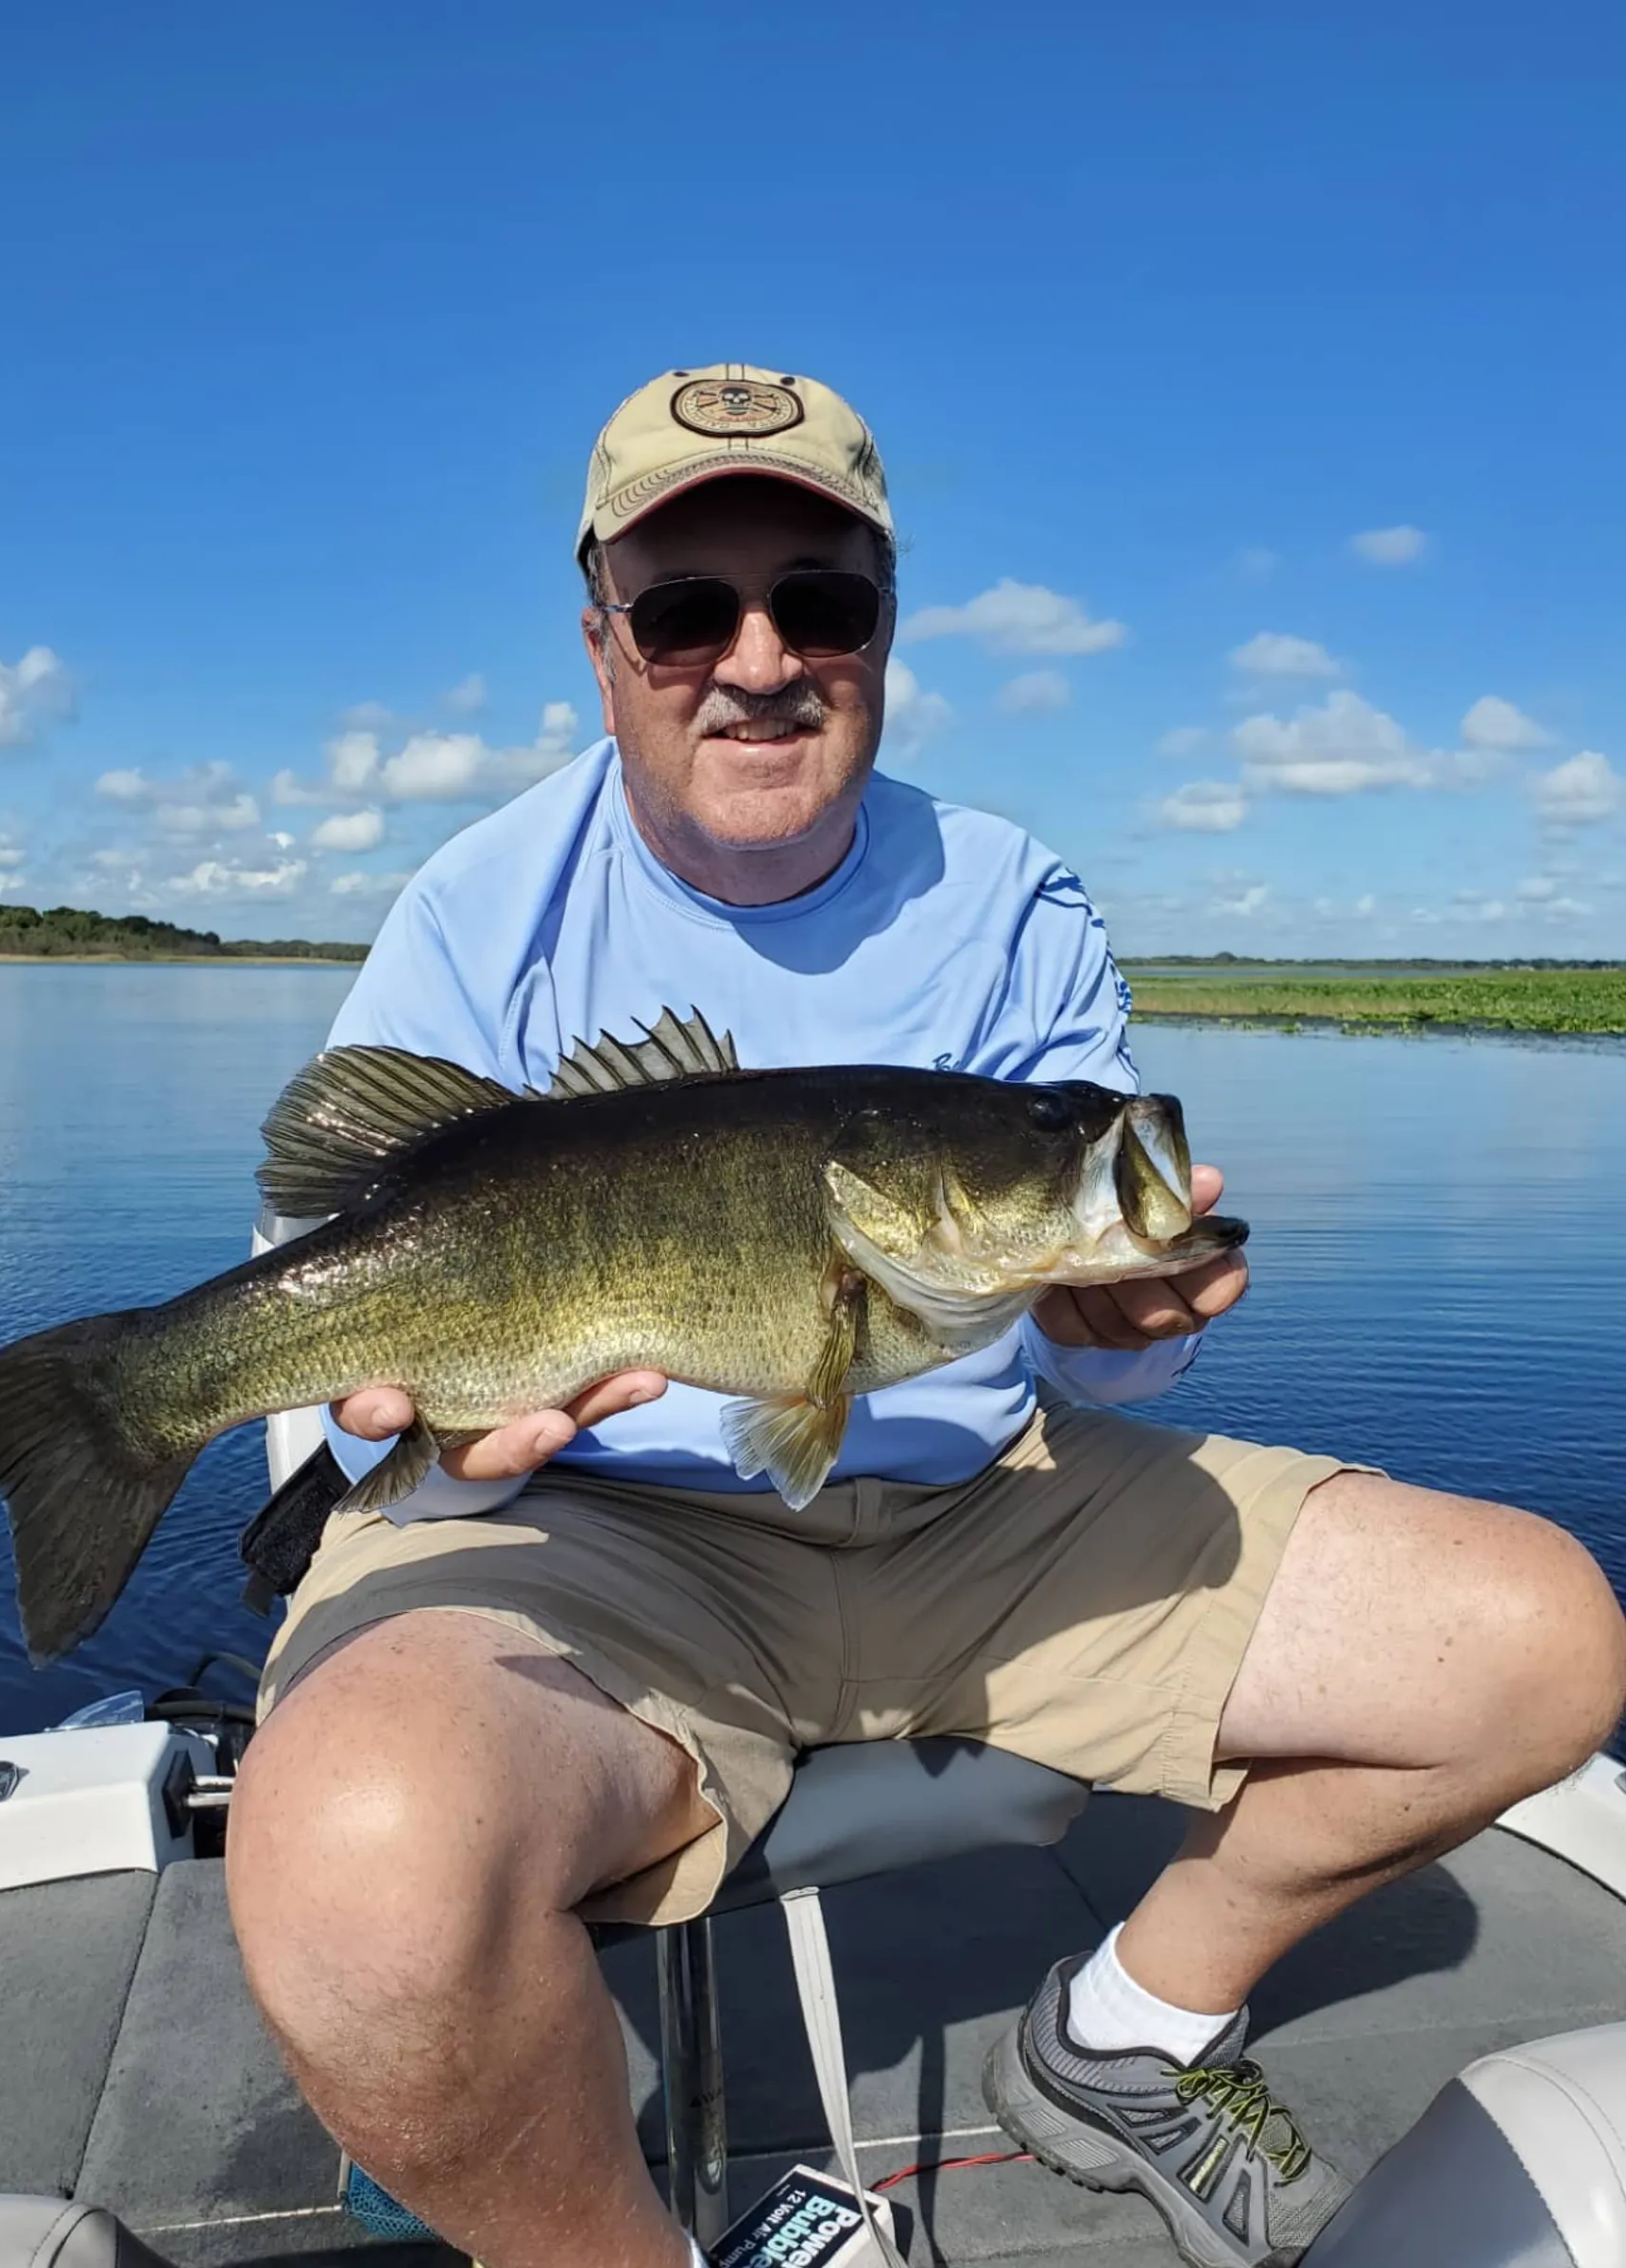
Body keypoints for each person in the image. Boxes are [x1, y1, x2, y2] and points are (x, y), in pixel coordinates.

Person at [225, 364, 1626, 2268]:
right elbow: (339, 1281)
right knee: (357, 1874)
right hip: (587, 1533)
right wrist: (427, 1440)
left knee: (1537, 1642)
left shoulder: (1010, 895)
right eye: (686, 609)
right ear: (602, 642)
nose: (758, 660)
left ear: (885, 628)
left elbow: (1080, 1294)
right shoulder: (478, 911)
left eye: (820, 601)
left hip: (976, 1509)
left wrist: (1133, 1323)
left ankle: (1128, 2032)